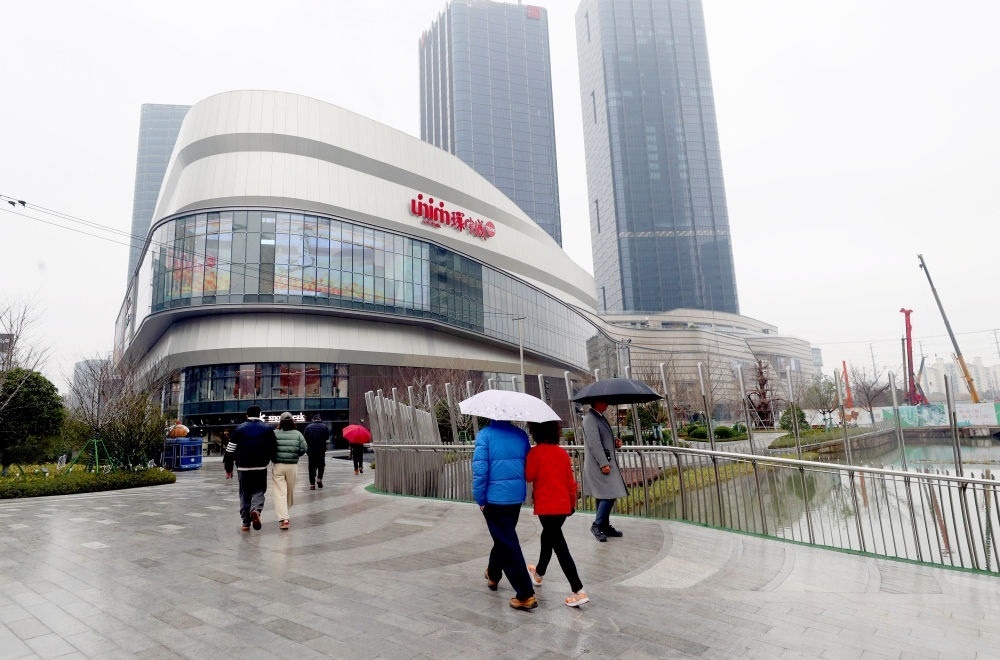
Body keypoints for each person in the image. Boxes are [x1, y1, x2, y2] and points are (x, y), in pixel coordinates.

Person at [472, 418, 537, 611]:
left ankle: (525, 594)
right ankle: (493, 575)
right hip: (515, 498)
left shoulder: (484, 435)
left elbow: (480, 470)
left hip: (494, 499)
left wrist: (480, 498)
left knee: (507, 543)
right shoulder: (521, 435)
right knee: (503, 538)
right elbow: (527, 466)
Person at [525, 420, 589, 607]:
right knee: (548, 538)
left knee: (559, 546)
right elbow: (571, 483)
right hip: (562, 507)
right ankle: (538, 573)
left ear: (536, 432)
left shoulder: (535, 453)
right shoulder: (562, 453)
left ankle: (578, 590)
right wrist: (572, 504)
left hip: (546, 507)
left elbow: (529, 476)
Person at [224, 405, 277, 532]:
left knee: (244, 493)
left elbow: (230, 450)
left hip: (243, 467)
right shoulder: (267, 429)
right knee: (259, 490)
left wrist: (228, 468)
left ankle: (245, 523)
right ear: (260, 414)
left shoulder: (239, 429)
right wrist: (273, 462)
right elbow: (273, 448)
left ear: (247, 415)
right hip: (260, 466)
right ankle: (256, 510)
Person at [581, 400, 628, 542]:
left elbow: (601, 440)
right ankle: (597, 525)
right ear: (596, 402)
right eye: (603, 401)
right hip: (598, 464)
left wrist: (614, 443)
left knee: (603, 495)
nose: (607, 403)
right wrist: (603, 463)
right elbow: (594, 443)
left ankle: (604, 526)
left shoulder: (599, 417)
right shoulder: (590, 419)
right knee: (610, 493)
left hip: (603, 463)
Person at [272, 412, 307, 530]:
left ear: (280, 421)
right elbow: (304, 448)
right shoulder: (298, 434)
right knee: (289, 491)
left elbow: (270, 447)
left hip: (278, 465)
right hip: (292, 466)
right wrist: (295, 454)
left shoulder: (274, 433)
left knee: (280, 492)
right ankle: (285, 514)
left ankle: (284, 517)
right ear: (292, 421)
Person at [303, 414, 330, 489]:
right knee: (321, 465)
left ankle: (312, 485)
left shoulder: (308, 427)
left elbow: (305, 438)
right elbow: (327, 437)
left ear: (313, 420)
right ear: (320, 419)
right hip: (321, 450)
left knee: (311, 467)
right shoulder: (324, 427)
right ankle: (319, 479)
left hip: (311, 450)